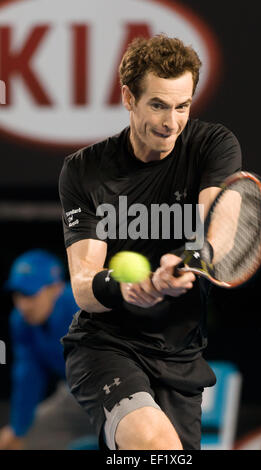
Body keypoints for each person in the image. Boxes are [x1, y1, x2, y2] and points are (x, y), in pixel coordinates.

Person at [58, 35, 242, 450]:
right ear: (128, 97)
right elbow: (84, 286)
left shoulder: (213, 145)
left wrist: (188, 261)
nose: (171, 122)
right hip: (106, 347)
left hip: (181, 356)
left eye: (183, 106)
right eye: (158, 104)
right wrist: (126, 289)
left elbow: (221, 230)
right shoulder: (85, 171)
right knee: (157, 450)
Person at [0, 249, 95, 450]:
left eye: (30, 294)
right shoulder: (20, 321)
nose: (23, 305)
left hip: (117, 390)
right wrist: (18, 429)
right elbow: (27, 375)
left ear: (56, 288)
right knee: (19, 442)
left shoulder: (85, 305)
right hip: (74, 395)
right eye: (18, 295)